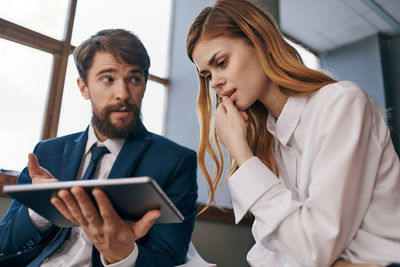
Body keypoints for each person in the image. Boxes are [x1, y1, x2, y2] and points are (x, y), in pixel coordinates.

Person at [185, 0, 400, 266]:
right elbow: (268, 255)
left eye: (221, 62)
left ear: (258, 42)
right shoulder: (268, 140)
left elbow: (312, 251)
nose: (215, 82)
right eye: (207, 75)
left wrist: (242, 153)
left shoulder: (341, 104)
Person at [0, 29, 198, 267]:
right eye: (108, 79)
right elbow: (4, 243)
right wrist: (41, 210)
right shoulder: (46, 153)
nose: (122, 94)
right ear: (84, 87)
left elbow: (168, 259)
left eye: (134, 78)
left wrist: (122, 254)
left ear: (144, 85)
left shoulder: (175, 161)